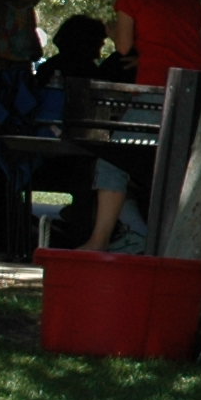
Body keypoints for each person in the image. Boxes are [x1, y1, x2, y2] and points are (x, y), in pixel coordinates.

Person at [33, 15, 144, 251]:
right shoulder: (92, 72)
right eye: (99, 41)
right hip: (76, 154)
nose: (102, 46)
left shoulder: (48, 68)